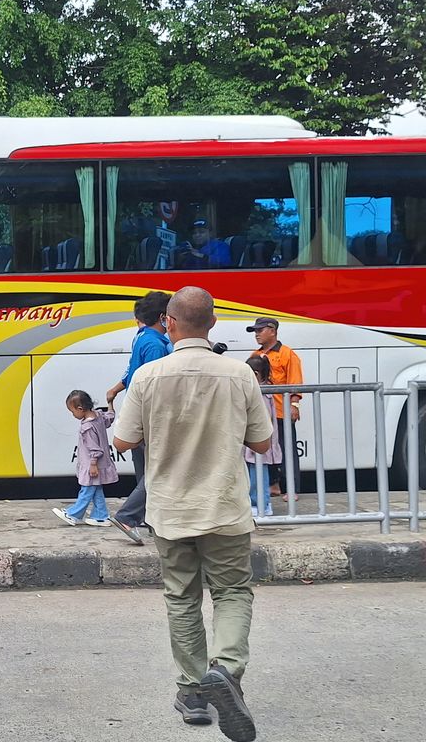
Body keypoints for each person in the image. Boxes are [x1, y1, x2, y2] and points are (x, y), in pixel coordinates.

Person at [112, 287, 273, 741]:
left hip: (170, 509)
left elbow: (122, 441)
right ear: (214, 323)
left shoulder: (148, 376)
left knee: (182, 599)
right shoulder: (239, 374)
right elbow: (262, 443)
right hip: (224, 506)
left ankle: (193, 694)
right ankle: (227, 671)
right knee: (232, 592)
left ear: (169, 322)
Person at [105, 291, 173, 544]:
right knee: (158, 471)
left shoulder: (142, 337)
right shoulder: (156, 344)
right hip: (150, 416)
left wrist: (116, 388)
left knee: (145, 470)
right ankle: (127, 516)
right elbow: (155, 385)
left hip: (137, 413)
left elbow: (132, 373)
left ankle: (150, 519)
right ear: (162, 317)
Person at [249, 316, 304, 497]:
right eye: (255, 331)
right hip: (263, 413)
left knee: (288, 450)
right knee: (266, 449)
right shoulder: (255, 355)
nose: (257, 335)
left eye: (260, 330)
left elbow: (295, 381)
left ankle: (292, 489)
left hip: (281, 412)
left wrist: (294, 404)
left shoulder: (287, 354)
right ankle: (274, 485)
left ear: (272, 331)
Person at [52, 390, 117, 527]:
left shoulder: (87, 427)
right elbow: (110, 417)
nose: (73, 415)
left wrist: (93, 464)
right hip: (101, 463)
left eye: (72, 411)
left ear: (80, 409)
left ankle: (73, 514)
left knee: (86, 490)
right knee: (96, 488)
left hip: (92, 464)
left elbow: (94, 448)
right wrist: (110, 403)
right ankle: (100, 516)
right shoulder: (99, 416)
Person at [245, 356, 281, 517]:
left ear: (255, 374)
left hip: (258, 441)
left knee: (258, 473)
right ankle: (261, 503)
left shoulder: (262, 393)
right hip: (259, 441)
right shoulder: (264, 390)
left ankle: (260, 503)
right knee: (256, 471)